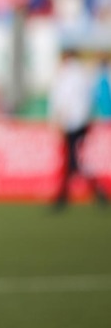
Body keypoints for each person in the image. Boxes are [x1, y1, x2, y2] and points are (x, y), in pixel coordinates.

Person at [48, 48, 108, 209]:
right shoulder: (82, 74)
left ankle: (67, 196)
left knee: (73, 161)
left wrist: (60, 120)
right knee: (74, 161)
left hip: (71, 123)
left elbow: (63, 100)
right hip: (81, 122)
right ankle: (66, 196)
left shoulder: (67, 75)